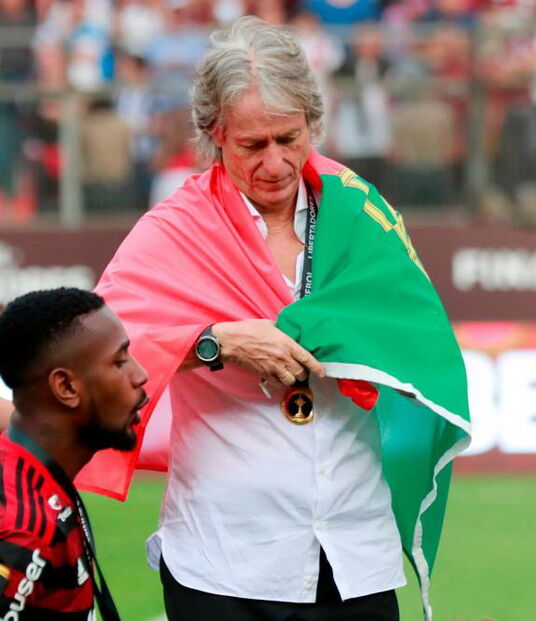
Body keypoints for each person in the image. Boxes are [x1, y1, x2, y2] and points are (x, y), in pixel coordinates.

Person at [76, 16, 469, 621]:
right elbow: (97, 356)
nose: (277, 164)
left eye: (290, 138)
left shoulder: (363, 214)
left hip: (354, 552)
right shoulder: (173, 232)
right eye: (252, 146)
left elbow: (414, 331)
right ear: (214, 135)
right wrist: (214, 343)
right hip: (224, 560)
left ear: (314, 121)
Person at [0, 287, 148, 620]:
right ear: (66, 388)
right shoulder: (22, 533)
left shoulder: (33, 471)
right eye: (120, 361)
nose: (141, 375)